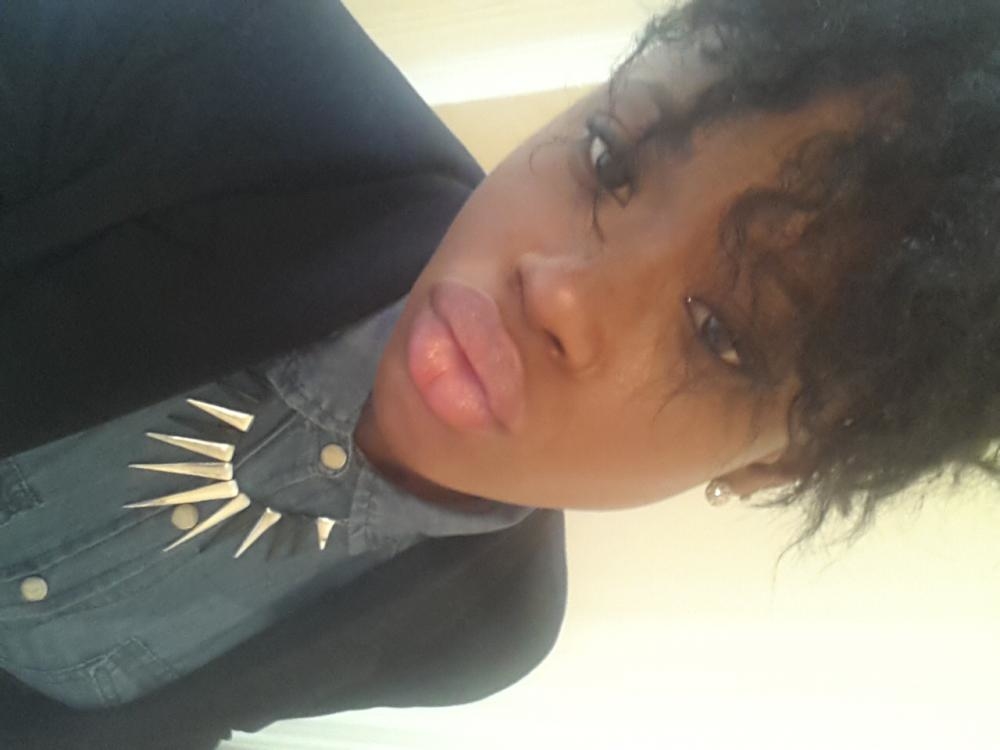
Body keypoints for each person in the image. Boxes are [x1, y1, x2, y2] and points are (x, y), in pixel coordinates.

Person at [2, 0, 998, 747]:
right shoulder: (209, 56)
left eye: (719, 334)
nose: (559, 292)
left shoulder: (479, 636)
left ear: (770, 464)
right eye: (609, 162)